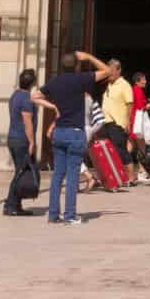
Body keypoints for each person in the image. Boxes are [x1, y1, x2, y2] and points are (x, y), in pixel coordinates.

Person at [41, 50, 113, 225]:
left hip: (59, 132)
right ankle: (70, 215)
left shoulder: (54, 82)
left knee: (58, 174)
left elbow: (35, 96)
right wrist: (89, 57)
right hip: (75, 132)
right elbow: (107, 71)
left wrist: (53, 108)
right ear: (77, 65)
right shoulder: (81, 79)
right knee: (73, 175)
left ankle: (53, 215)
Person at [3, 69, 46, 216]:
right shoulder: (26, 98)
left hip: (13, 138)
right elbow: (27, 121)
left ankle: (15, 204)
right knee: (21, 173)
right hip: (22, 140)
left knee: (20, 172)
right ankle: (10, 205)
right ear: (33, 83)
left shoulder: (15, 95)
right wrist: (32, 142)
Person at [100, 58, 137, 185]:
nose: (108, 73)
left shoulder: (124, 85)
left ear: (119, 70)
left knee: (120, 150)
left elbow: (130, 104)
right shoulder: (109, 85)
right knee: (110, 150)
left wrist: (127, 122)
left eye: (111, 71)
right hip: (107, 122)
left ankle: (132, 177)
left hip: (118, 123)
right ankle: (115, 176)